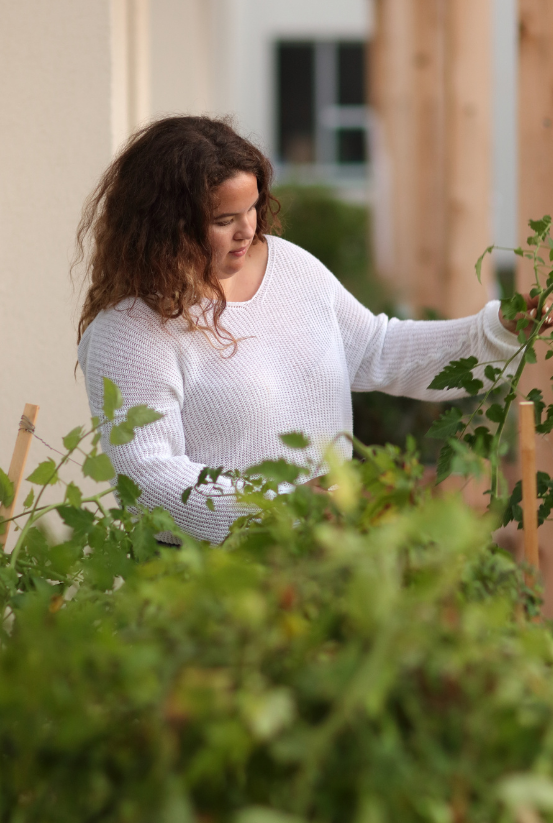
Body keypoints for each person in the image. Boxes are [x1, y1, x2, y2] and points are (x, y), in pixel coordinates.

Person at [76, 116, 525, 545]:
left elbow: (377, 349)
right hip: (210, 580)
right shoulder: (131, 330)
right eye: (223, 220)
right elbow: (149, 481)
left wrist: (496, 331)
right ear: (166, 227)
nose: (247, 230)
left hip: (324, 553)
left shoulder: (290, 267)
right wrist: (285, 507)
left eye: (251, 208)